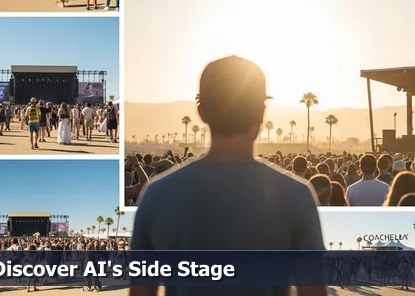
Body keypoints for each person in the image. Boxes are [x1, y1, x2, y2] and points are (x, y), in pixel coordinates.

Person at [129, 55, 327, 296]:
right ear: (262, 112)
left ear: (201, 112)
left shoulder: (156, 195)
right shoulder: (296, 196)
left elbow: (140, 291)